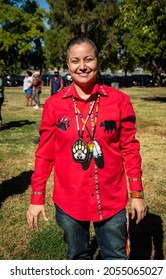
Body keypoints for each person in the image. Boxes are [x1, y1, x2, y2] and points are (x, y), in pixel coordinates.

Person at [27, 35, 147, 260]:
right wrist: (37, 197)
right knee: (77, 257)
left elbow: (130, 149)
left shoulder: (119, 101)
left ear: (98, 62)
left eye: (88, 59)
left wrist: (137, 193)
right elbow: (44, 155)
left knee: (116, 260)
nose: (82, 66)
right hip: (69, 201)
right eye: (75, 61)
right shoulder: (54, 105)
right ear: (68, 65)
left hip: (111, 200)